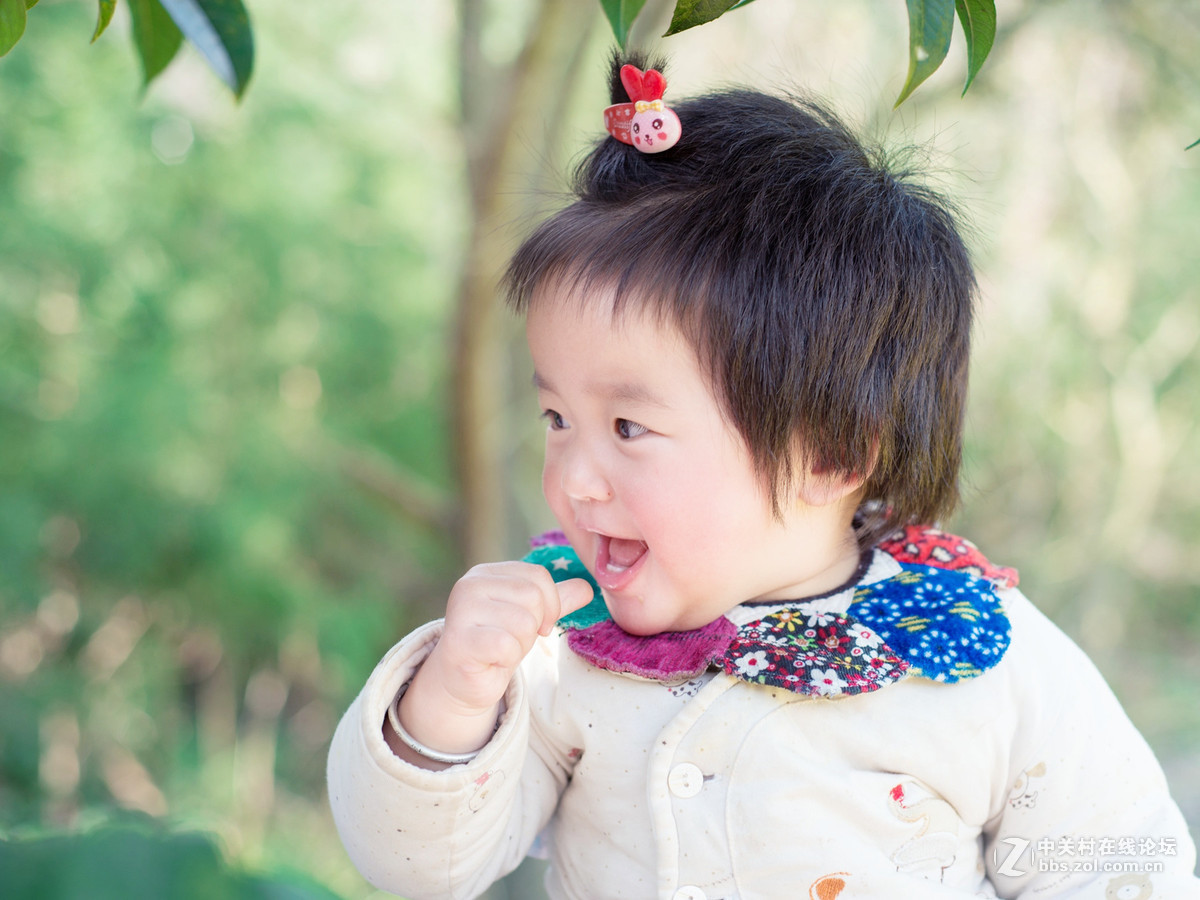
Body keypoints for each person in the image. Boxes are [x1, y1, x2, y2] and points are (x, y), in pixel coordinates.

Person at [326, 54, 1199, 899]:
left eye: (629, 427)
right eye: (558, 419)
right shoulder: (565, 652)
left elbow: (1122, 867)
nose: (577, 481)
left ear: (830, 454)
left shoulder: (977, 661)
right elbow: (421, 867)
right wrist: (452, 700)